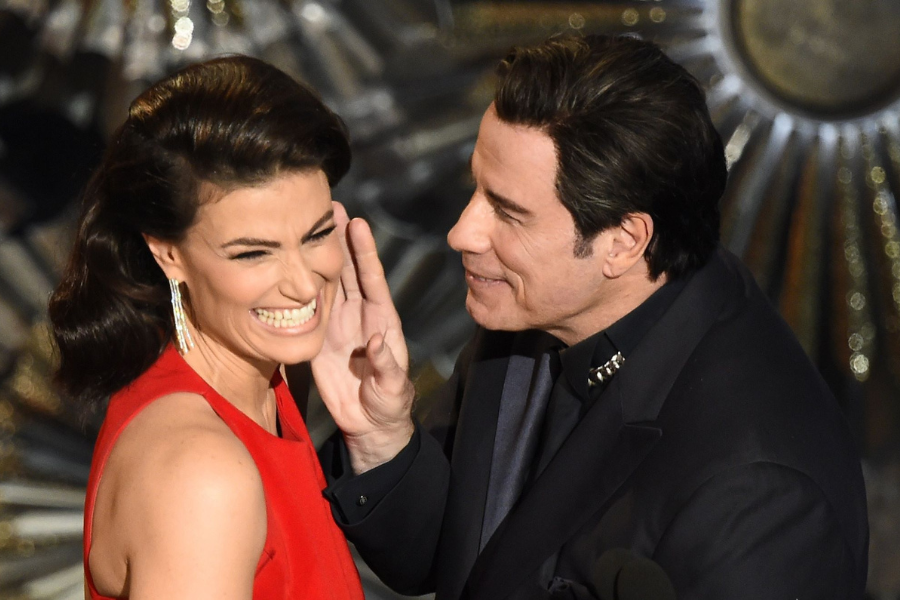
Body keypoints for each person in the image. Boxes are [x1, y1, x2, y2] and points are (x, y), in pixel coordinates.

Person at [311, 34, 869, 599]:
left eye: (508, 212)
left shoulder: (758, 494)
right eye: (475, 188)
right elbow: (448, 555)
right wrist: (381, 437)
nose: (462, 231)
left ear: (624, 242)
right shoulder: (534, 313)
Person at [48, 56, 365, 599]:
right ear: (168, 254)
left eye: (315, 236)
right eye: (252, 254)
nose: (304, 285)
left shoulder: (267, 380)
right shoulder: (200, 474)